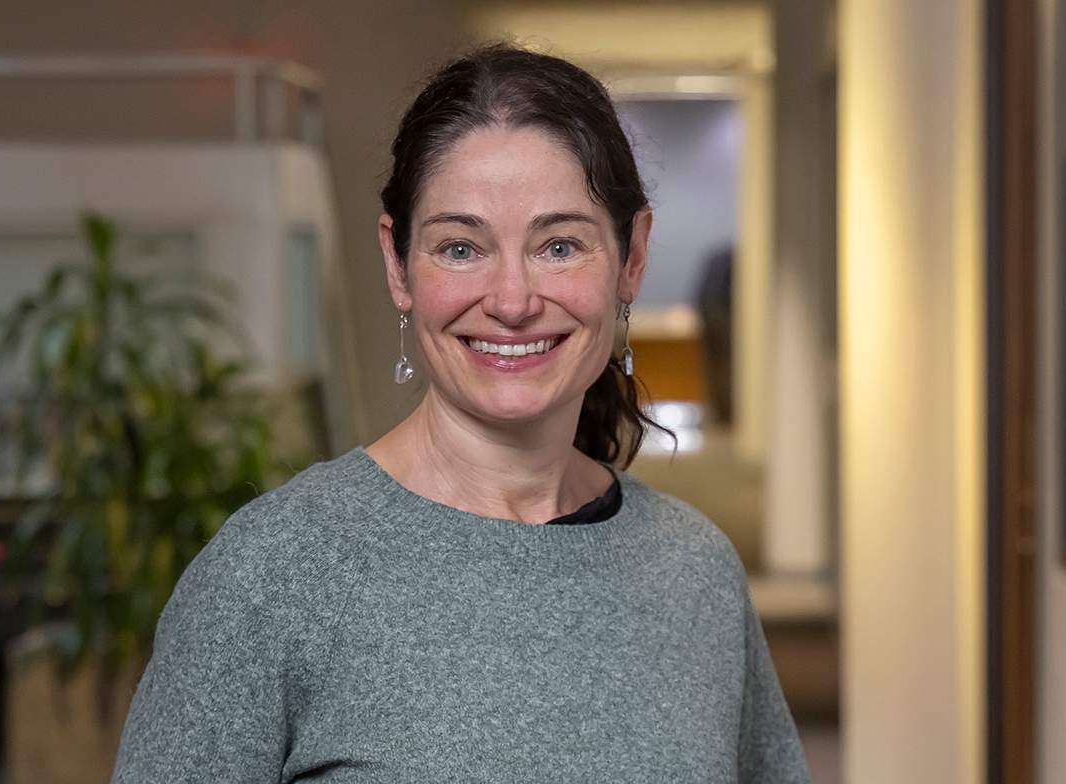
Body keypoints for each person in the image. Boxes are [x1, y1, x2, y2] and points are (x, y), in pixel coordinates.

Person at [112, 44, 810, 783]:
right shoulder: (271, 576)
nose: (511, 301)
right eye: (460, 248)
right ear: (398, 264)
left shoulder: (696, 570)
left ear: (632, 258)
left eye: (559, 246)